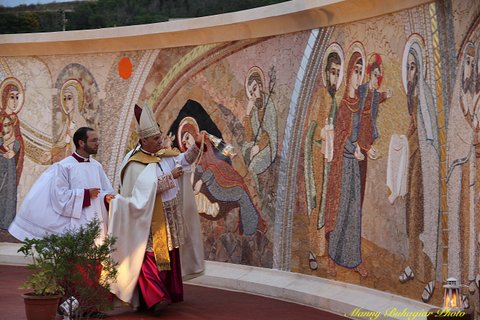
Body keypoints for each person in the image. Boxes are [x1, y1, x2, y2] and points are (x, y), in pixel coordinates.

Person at [108, 104, 204, 315]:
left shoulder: (164, 154)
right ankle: (154, 298)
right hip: (148, 218)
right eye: (156, 139)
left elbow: (183, 160)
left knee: (170, 254)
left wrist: (196, 147)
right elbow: (140, 193)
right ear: (144, 141)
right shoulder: (134, 163)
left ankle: (169, 292)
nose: (161, 141)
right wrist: (172, 178)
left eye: (160, 138)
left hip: (169, 215)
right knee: (149, 258)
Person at [8, 127, 115, 242]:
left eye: (97, 140)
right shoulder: (64, 167)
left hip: (97, 220)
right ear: (81, 143)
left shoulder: (96, 166)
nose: (97, 144)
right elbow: (60, 197)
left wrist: (106, 197)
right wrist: (86, 194)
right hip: (76, 223)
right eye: (93, 141)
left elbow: (105, 190)